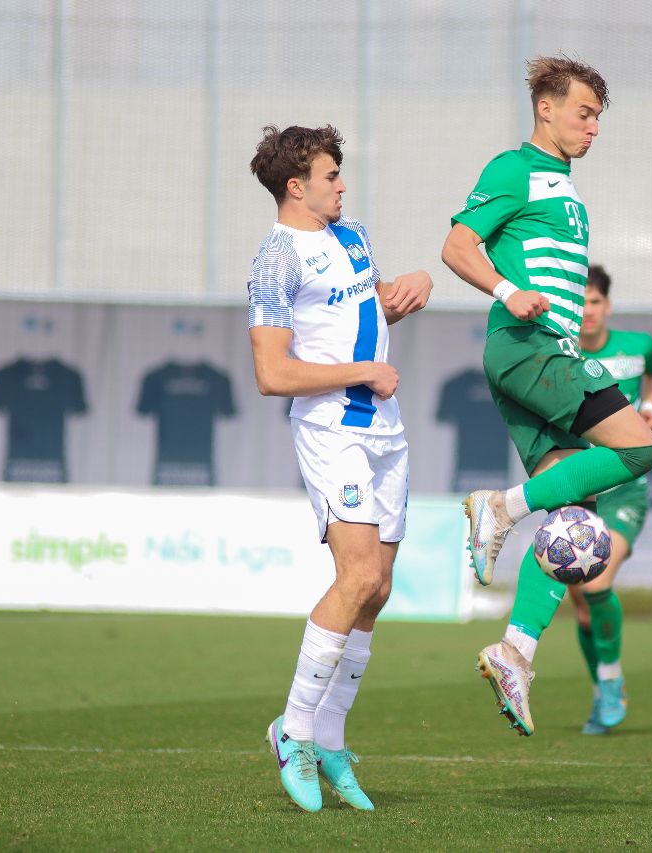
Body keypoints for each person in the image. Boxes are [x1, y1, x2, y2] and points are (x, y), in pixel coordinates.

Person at [441, 55, 652, 736]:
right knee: (640, 448)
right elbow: (457, 246)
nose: (593, 128)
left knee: (573, 521)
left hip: (537, 353)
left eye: (597, 117)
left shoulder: (564, 186)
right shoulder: (515, 168)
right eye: (583, 113)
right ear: (546, 108)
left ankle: (515, 653)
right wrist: (509, 291)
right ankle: (500, 507)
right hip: (531, 348)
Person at [246, 124, 432, 811]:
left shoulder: (352, 235)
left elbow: (366, 313)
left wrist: (409, 289)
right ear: (296, 186)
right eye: (331, 176)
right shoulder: (276, 260)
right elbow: (272, 373)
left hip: (385, 426)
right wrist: (362, 372)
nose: (343, 185)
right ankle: (292, 734)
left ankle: (329, 737)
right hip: (332, 429)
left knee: (377, 588)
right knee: (354, 576)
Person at [566, 265, 652, 734]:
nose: (587, 311)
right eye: (580, 302)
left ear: (607, 305)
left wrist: (650, 408)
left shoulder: (637, 346)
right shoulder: (559, 354)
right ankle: (601, 689)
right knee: (582, 608)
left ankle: (610, 679)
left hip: (626, 489)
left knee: (596, 585)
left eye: (595, 302)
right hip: (577, 491)